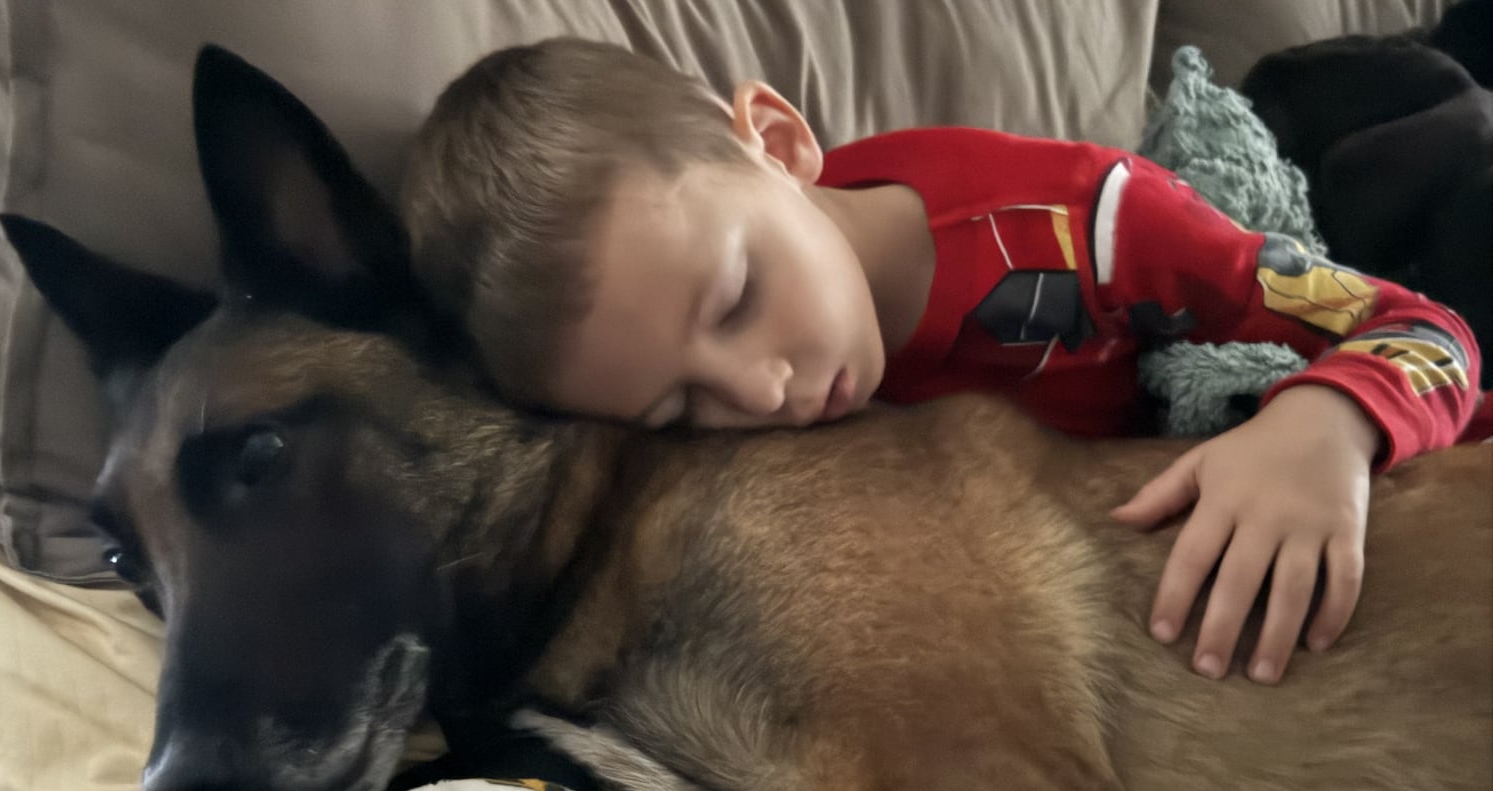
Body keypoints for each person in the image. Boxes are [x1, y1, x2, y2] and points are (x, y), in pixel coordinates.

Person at [405, 39, 1485, 684]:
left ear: (778, 145)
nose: (762, 392)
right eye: (678, 404)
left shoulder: (1093, 228)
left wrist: (1327, 425)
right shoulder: (762, 371)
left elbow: (1424, 329)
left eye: (738, 300)